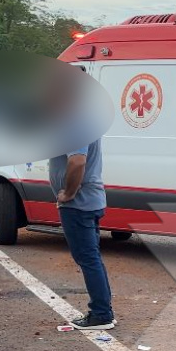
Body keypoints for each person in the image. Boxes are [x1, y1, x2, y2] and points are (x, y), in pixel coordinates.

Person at [49, 137, 115, 329]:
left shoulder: (76, 123)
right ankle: (104, 311)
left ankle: (101, 314)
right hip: (89, 200)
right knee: (92, 258)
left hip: (79, 204)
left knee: (88, 259)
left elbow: (77, 161)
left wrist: (69, 193)